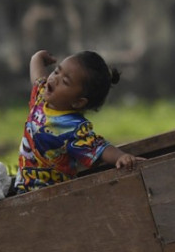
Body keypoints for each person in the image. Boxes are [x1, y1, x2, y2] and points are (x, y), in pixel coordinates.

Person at [13, 49, 142, 194]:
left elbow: (100, 148)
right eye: (56, 71)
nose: (54, 79)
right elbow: (37, 77)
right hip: (24, 185)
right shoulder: (42, 96)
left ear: (78, 102)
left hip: (50, 194)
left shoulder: (72, 127)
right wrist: (36, 58)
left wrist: (121, 156)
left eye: (65, 81)